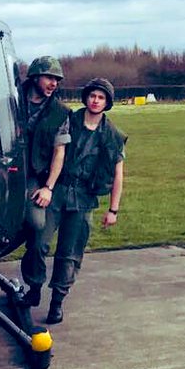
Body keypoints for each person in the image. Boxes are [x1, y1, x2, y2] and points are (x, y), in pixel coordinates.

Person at [37, 77, 126, 325]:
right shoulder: (70, 121)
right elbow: (58, 152)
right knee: (39, 242)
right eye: (92, 96)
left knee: (70, 253)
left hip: (84, 198)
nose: (95, 101)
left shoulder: (113, 136)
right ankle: (34, 287)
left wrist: (113, 210)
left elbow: (118, 173)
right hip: (59, 191)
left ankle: (57, 302)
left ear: (107, 102)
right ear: (86, 97)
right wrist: (49, 187)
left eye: (101, 98)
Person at [18, 56, 71, 308]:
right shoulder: (8, 100)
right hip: (4, 170)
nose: (54, 84)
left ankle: (34, 284)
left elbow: (59, 153)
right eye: (50, 77)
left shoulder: (60, 112)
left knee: (37, 225)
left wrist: (48, 187)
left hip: (35, 177)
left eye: (57, 80)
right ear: (35, 76)